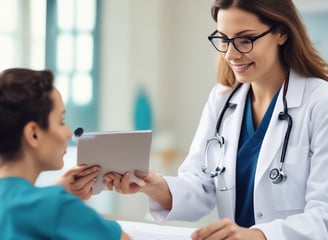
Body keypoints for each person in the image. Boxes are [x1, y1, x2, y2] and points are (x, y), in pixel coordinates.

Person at [101, 0, 328, 239]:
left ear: (282, 33)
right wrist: (152, 185)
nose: (231, 54)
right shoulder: (222, 100)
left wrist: (258, 236)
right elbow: (200, 185)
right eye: (224, 39)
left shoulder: (320, 102)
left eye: (245, 40)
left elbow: (323, 215)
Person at [0, 68, 131, 240]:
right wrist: (60, 201)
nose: (69, 133)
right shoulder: (56, 206)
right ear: (33, 134)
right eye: (61, 121)